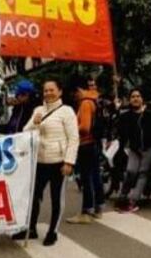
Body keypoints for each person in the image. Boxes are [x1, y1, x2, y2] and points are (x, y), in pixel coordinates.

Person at [14, 79, 78, 245]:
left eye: (52, 90)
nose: (48, 93)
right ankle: (31, 228)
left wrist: (69, 162)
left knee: (56, 197)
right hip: (39, 161)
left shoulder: (67, 111)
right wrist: (35, 123)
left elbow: (73, 138)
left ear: (60, 91)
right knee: (34, 196)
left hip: (59, 162)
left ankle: (53, 231)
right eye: (45, 90)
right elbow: (25, 132)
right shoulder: (38, 110)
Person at [115, 88, 151, 213]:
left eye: (138, 96)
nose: (135, 99)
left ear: (142, 99)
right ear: (129, 100)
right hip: (135, 149)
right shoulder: (126, 115)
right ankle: (122, 195)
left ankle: (133, 201)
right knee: (130, 171)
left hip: (149, 149)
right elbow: (120, 131)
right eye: (133, 97)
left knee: (143, 173)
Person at [67, 76, 105, 224]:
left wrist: (71, 130)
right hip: (93, 144)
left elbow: (84, 127)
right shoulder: (94, 101)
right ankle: (98, 207)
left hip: (86, 144)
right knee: (95, 176)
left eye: (74, 93)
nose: (74, 96)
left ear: (78, 90)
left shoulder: (85, 104)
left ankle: (86, 211)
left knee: (86, 178)